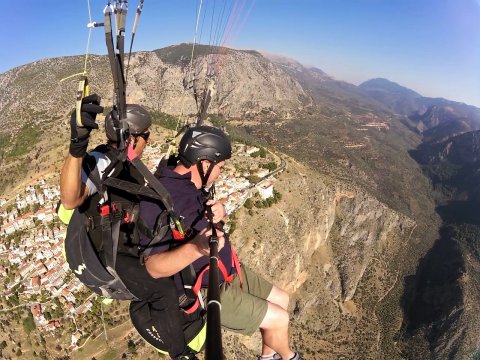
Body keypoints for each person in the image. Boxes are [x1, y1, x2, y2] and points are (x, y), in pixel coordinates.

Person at [139, 126, 302, 360]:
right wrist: (196, 247)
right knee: (280, 319)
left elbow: (197, 222)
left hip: (228, 270)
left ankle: (269, 356)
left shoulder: (188, 185)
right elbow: (153, 267)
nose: (221, 173)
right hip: (206, 289)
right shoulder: (158, 200)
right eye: (220, 167)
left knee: (282, 300)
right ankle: (289, 357)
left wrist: (220, 214)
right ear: (205, 164)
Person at [60, 95, 198, 359]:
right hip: (105, 255)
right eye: (146, 135)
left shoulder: (128, 164)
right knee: (162, 289)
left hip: (121, 244)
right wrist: (77, 145)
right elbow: (70, 198)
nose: (149, 141)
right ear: (133, 138)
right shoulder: (103, 160)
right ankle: (180, 354)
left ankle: (150, 310)